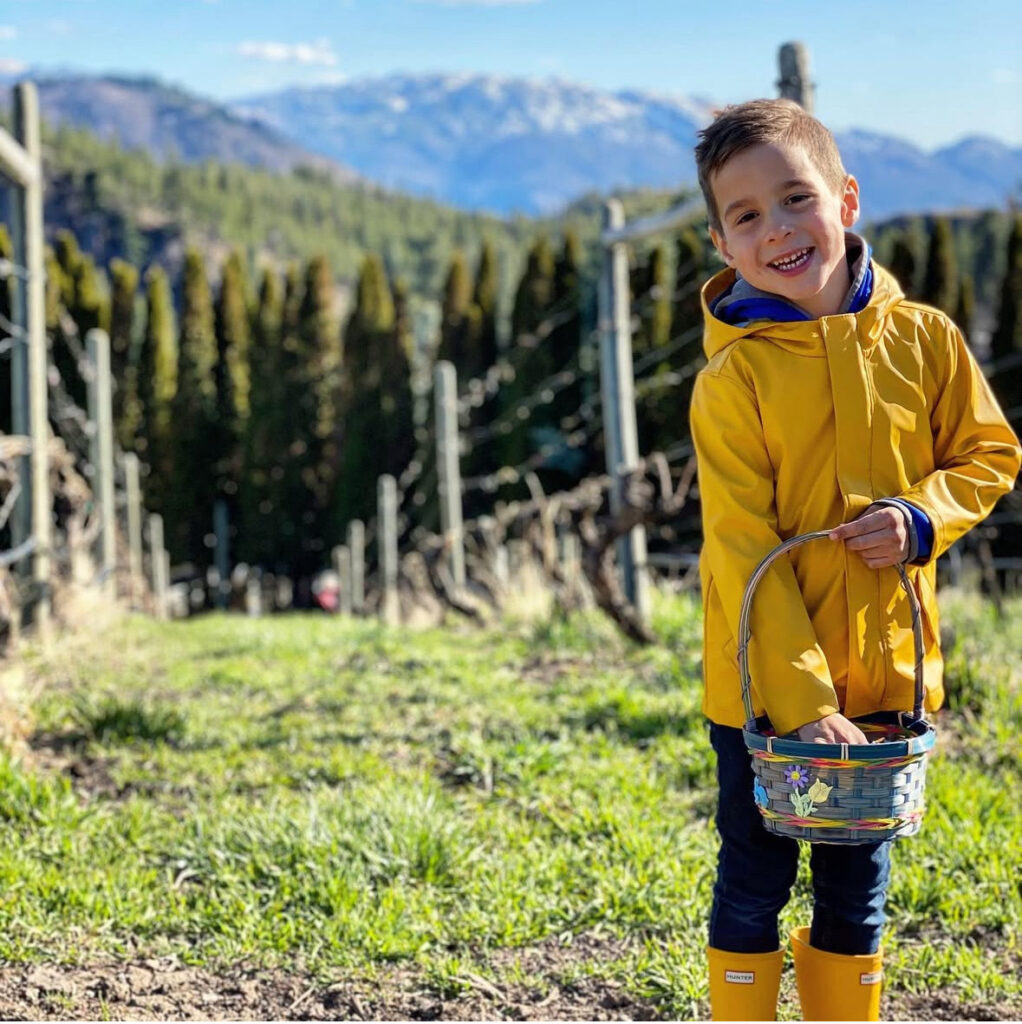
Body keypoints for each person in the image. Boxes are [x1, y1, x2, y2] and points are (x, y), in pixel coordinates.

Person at [689, 98, 1020, 1022]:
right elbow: (743, 547)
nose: (777, 229)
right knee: (753, 877)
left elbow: (990, 453)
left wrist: (924, 517)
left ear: (846, 199)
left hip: (885, 677)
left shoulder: (925, 340)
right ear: (722, 245)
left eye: (796, 198)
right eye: (746, 215)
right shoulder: (734, 380)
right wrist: (803, 703)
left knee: (856, 891)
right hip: (761, 696)